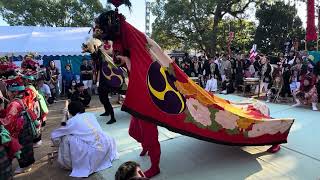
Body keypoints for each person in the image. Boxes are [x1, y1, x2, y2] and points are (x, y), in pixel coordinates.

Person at [51, 101, 118, 178]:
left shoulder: (72, 121)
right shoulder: (90, 115)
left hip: (95, 151)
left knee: (66, 138)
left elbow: (55, 135)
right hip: (106, 145)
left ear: (71, 111)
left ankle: (68, 164)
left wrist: (64, 119)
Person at [0, 76, 37, 174]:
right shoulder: (20, 100)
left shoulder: (13, 104)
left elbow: (8, 121)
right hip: (25, 125)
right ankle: (29, 163)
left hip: (20, 128)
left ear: (14, 92)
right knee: (27, 145)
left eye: (8, 91)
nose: (7, 93)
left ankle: (25, 166)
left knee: (22, 146)